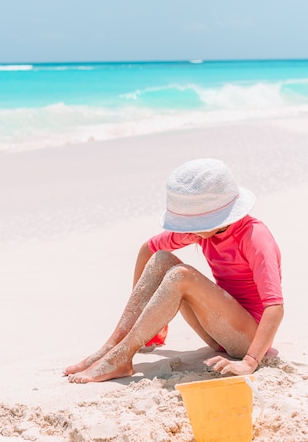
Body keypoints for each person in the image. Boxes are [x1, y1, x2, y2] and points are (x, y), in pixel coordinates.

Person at [64, 158, 284, 383]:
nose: (191, 232)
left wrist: (249, 361)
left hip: (250, 338)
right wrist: (146, 311)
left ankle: (121, 357)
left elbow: (275, 307)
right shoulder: (205, 231)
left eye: (194, 224)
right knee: (162, 259)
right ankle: (111, 348)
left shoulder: (255, 237)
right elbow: (147, 250)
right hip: (219, 331)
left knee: (182, 275)